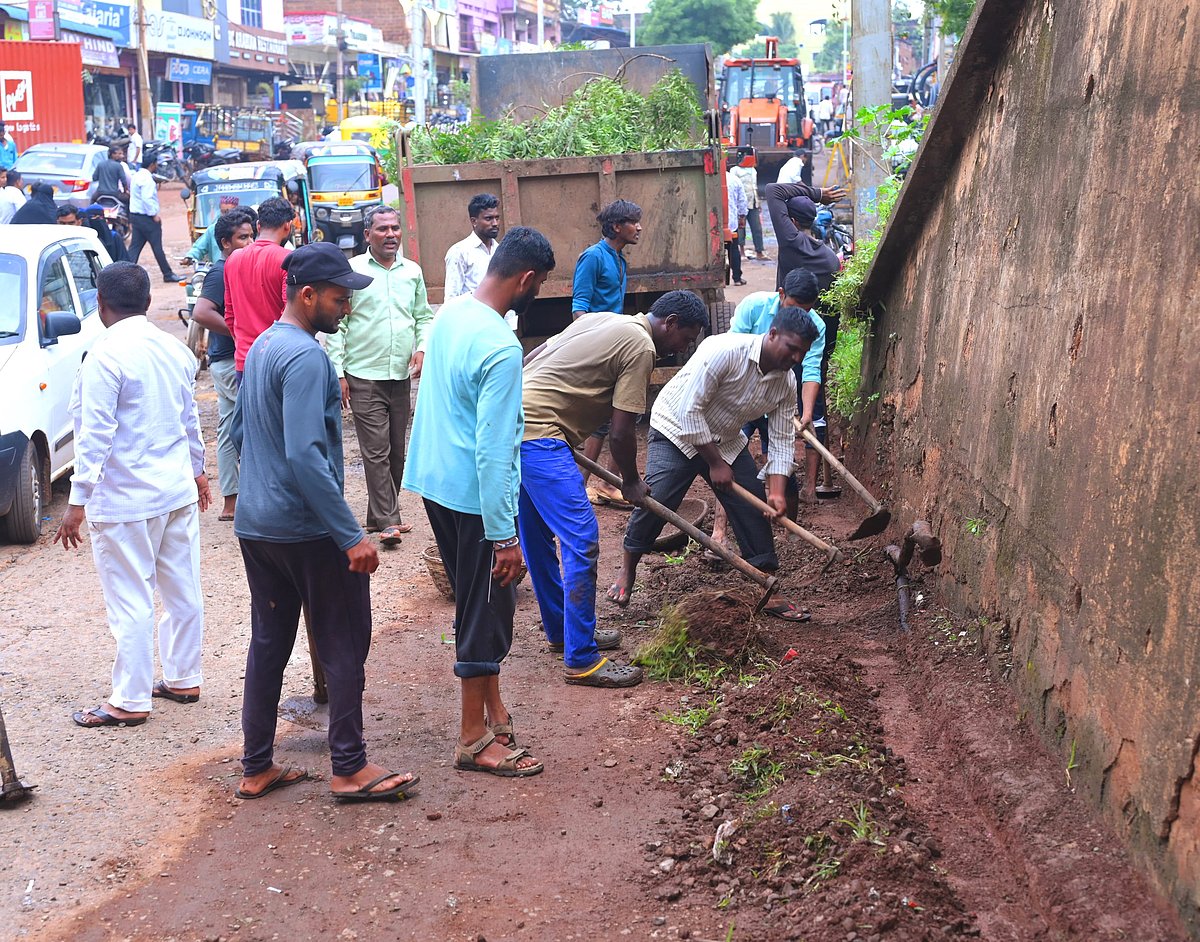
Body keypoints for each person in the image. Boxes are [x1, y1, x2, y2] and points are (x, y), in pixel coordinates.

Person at [231, 241, 418, 802]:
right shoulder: (308, 357)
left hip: (257, 525)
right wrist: (350, 534)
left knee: (269, 643)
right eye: (340, 299)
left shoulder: (264, 345)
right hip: (305, 529)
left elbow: (241, 432)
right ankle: (349, 767)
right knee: (343, 641)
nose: (347, 309)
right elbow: (305, 456)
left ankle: (256, 767)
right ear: (307, 295)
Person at [403, 227, 554, 779]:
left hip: (436, 483)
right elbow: (493, 450)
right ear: (527, 279)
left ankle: (494, 712)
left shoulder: (450, 314)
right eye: (540, 285)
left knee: (479, 602)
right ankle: (472, 740)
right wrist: (505, 534)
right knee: (485, 612)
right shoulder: (501, 346)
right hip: (475, 498)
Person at [519, 291, 709, 688]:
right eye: (685, 339)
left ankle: (565, 632)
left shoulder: (605, 319)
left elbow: (533, 358)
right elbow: (621, 433)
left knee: (536, 536)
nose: (683, 349)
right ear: (671, 323)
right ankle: (582, 660)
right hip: (540, 437)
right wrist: (632, 482)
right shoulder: (641, 347)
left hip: (514, 424)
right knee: (582, 538)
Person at [53, 262, 209, 728]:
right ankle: (183, 677)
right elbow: (189, 419)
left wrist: (76, 504)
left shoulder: (104, 357)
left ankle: (130, 700)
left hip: (126, 501)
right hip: (175, 491)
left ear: (100, 303)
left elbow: (94, 436)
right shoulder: (174, 349)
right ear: (147, 301)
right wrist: (198, 472)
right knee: (183, 590)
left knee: (130, 600)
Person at [607, 307, 821, 622]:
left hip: (725, 437)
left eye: (802, 353)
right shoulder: (724, 351)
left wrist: (776, 492)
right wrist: (715, 464)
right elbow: (689, 412)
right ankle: (628, 569)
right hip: (675, 428)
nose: (796, 358)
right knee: (657, 499)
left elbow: (780, 440)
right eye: (792, 348)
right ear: (773, 334)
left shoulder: (786, 382)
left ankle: (766, 584)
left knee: (752, 507)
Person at [327, 206, 434, 544]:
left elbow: (423, 317)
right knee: (375, 451)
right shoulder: (353, 271)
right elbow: (339, 324)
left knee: (396, 452)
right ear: (367, 235)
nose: (390, 234)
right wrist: (338, 372)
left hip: (399, 375)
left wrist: (422, 348)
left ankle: (377, 516)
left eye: (395, 228)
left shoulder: (412, 272)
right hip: (362, 375)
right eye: (382, 229)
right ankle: (389, 521)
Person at [710, 270, 827, 547]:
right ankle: (719, 533)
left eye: (806, 311)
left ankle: (790, 534)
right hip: (739, 399)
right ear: (781, 294)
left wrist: (806, 413)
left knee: (783, 466)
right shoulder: (754, 306)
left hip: (775, 400)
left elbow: (811, 370)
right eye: (793, 307)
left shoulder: (815, 326)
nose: (799, 316)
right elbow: (730, 348)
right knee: (727, 464)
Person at [573, 199, 642, 504]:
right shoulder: (593, 257)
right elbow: (579, 310)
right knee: (608, 418)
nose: (639, 227)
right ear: (616, 226)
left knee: (620, 416)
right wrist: (598, 343)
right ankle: (586, 486)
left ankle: (604, 484)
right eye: (633, 222)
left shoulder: (619, 259)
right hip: (601, 348)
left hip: (615, 345)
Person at [190, 209, 256, 522]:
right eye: (243, 237)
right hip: (230, 361)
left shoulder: (240, 267)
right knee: (243, 428)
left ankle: (233, 500)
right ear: (225, 243)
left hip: (233, 358)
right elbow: (201, 312)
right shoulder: (221, 271)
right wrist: (239, 330)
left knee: (231, 428)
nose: (250, 242)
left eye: (252, 235)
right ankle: (237, 500)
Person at [224, 196, 295, 374]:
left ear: (258, 226)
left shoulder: (233, 259)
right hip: (278, 360)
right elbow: (290, 315)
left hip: (244, 360)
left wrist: (241, 345)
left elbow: (230, 315)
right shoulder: (287, 260)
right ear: (287, 226)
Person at [764, 182, 844, 292]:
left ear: (793, 222)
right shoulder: (830, 257)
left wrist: (818, 194)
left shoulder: (791, 241)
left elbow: (772, 189)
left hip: (788, 303)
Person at [128, 153, 182, 284]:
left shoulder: (136, 176)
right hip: (147, 218)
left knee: (135, 247)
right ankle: (167, 274)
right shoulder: (147, 180)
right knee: (157, 247)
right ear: (152, 164)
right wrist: (154, 215)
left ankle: (124, 272)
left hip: (136, 216)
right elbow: (147, 199)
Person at [444, 193, 501, 303]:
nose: (495, 223)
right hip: (471, 313)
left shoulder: (500, 251)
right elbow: (451, 298)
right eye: (488, 218)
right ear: (474, 221)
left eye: (497, 218)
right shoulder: (459, 252)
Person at [730, 156, 766, 261]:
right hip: (741, 204)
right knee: (741, 229)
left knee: (757, 228)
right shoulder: (735, 170)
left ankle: (759, 251)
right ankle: (741, 252)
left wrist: (758, 202)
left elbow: (754, 187)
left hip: (753, 203)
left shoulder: (753, 170)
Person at [725, 156, 748, 286]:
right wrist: (742, 217)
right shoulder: (734, 180)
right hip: (731, 223)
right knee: (733, 250)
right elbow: (742, 201)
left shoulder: (708, 177)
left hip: (711, 225)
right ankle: (737, 278)